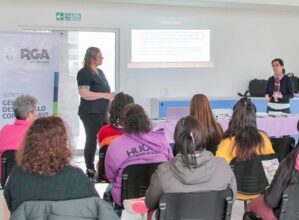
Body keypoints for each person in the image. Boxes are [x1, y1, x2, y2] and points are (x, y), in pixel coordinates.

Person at [4, 117, 117, 218]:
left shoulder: (17, 176)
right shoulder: (77, 176)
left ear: (29, 142)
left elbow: (11, 209)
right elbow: (96, 208)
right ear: (63, 142)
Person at [145, 116, 237, 219]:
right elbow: (232, 198)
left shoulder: (162, 172)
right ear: (203, 138)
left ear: (176, 140)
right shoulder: (223, 166)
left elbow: (150, 203)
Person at [105, 104, 173, 207]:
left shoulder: (115, 145)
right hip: (158, 198)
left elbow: (110, 176)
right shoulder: (162, 140)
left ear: (124, 122)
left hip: (126, 201)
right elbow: (171, 166)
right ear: (146, 120)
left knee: (109, 188)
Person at [216, 97, 274, 201]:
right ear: (253, 118)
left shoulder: (227, 143)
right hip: (260, 190)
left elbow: (218, 173)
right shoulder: (264, 138)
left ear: (234, 117)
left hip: (234, 191)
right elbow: (272, 170)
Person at [77, 46, 115, 179]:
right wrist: (104, 95)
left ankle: (105, 166)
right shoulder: (84, 73)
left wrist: (108, 97)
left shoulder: (100, 72)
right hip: (90, 113)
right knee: (92, 139)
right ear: (92, 58)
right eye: (100, 56)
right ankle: (90, 168)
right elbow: (84, 93)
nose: (102, 58)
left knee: (106, 138)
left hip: (102, 112)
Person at [0, 95, 37, 175]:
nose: (36, 115)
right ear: (30, 114)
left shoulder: (5, 129)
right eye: (35, 112)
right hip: (26, 179)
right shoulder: (36, 132)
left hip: (4, 179)